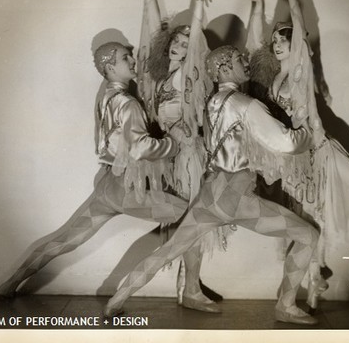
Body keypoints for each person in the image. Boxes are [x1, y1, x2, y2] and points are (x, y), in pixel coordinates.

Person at [103, 45, 321, 325]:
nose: (246, 63)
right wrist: (308, 132)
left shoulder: (213, 101)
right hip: (236, 198)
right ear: (224, 68)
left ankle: (116, 301)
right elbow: (285, 142)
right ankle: (286, 305)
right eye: (239, 59)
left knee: (168, 251)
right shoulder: (245, 104)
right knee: (308, 236)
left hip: (209, 196)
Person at [0, 42, 210, 310]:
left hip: (108, 184)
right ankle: (189, 289)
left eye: (130, 55)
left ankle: (8, 285)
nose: (132, 60)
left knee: (65, 240)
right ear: (109, 67)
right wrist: (173, 144)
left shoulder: (107, 96)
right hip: (128, 189)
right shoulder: (128, 103)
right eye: (125, 58)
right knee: (196, 218)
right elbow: (140, 149)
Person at [246, 0, 349, 311]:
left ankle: (312, 282)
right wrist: (257, 6)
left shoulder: (299, 70)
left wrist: (294, 1)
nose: (278, 44)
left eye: (284, 40)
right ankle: (311, 278)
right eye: (275, 40)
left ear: (296, 45)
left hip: (310, 149)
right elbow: (254, 49)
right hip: (290, 150)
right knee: (299, 217)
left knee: (311, 214)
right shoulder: (275, 75)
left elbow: (303, 31)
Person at [125, 0, 225, 304]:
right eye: (176, 42)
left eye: (184, 45)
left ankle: (192, 287)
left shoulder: (187, 74)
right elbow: (155, 33)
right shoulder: (158, 76)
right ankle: (191, 284)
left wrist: (198, 9)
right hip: (167, 156)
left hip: (186, 157)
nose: (178, 48)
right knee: (185, 223)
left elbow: (197, 43)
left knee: (192, 222)